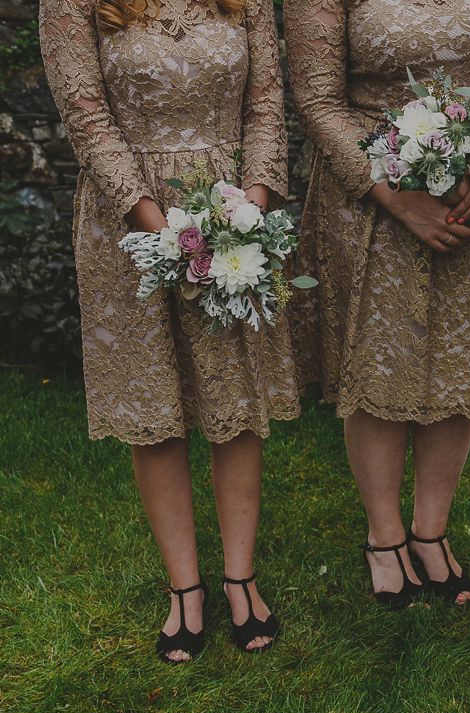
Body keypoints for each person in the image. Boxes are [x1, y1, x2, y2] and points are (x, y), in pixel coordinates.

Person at [41, 0, 294, 661]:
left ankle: (240, 577)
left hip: (232, 210)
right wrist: (165, 233)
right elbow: (87, 119)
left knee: (235, 400)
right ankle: (185, 588)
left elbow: (267, 107)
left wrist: (247, 215)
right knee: (157, 405)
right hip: (129, 220)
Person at [285, 0, 470, 607]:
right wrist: (394, 195)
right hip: (371, 196)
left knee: (460, 358)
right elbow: (316, 99)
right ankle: (384, 537)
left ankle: (430, 530)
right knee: (378, 362)